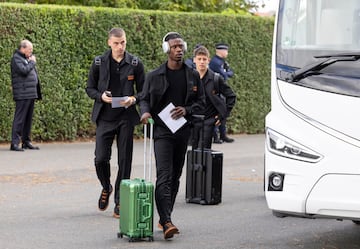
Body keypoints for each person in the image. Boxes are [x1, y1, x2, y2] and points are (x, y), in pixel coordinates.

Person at [139, 32, 205, 239]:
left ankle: (165, 216)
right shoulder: (154, 75)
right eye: (174, 47)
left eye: (181, 47)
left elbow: (201, 103)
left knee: (175, 176)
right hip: (161, 132)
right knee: (164, 175)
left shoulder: (193, 75)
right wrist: (145, 112)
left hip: (182, 131)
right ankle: (167, 221)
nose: (178, 50)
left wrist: (186, 110)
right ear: (167, 49)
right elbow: (144, 99)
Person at [85, 27, 145, 218]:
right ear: (109, 43)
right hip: (105, 116)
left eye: (123, 42)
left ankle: (120, 201)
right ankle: (106, 186)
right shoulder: (98, 62)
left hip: (126, 117)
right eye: (116, 43)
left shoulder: (135, 63)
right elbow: (89, 88)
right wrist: (101, 96)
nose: (120, 46)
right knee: (100, 158)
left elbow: (144, 92)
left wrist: (134, 99)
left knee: (124, 161)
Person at [191, 45, 236, 149]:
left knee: (205, 152)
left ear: (208, 60)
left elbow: (231, 96)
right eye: (199, 59)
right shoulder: (189, 78)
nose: (202, 62)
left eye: (204, 59)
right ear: (194, 60)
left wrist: (223, 115)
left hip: (209, 120)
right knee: (193, 153)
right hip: (193, 121)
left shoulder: (216, 79)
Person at [10, 39, 42, 152]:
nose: (31, 52)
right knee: (19, 119)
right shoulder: (16, 59)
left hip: (30, 93)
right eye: (29, 50)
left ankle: (26, 141)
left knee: (28, 119)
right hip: (22, 93)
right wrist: (32, 62)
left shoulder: (26, 59)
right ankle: (14, 143)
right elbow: (23, 71)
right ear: (22, 48)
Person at [209, 42, 235, 143]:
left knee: (223, 112)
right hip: (216, 91)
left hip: (221, 90)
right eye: (226, 51)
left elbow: (230, 73)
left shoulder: (222, 62)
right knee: (216, 112)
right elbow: (224, 75)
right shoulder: (215, 62)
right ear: (221, 51)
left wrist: (227, 73)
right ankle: (215, 136)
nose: (227, 53)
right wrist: (227, 73)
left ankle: (223, 135)